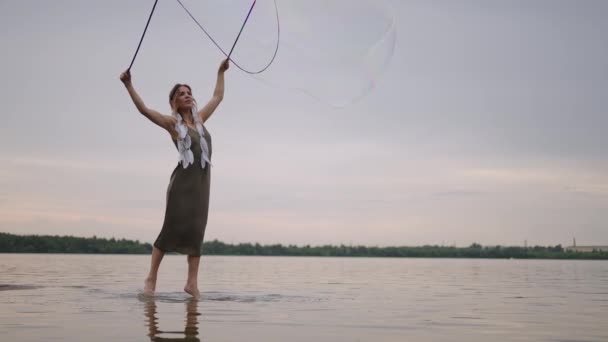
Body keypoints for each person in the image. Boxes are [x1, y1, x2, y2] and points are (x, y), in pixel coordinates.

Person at [119, 59, 230, 298]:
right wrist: (129, 86)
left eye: (189, 92)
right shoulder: (173, 124)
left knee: (197, 230)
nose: (188, 96)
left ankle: (192, 283)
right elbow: (144, 110)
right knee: (169, 229)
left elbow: (217, 97)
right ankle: (151, 277)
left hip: (202, 184)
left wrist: (220, 72)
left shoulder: (200, 120)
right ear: (174, 102)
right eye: (182, 94)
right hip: (182, 185)